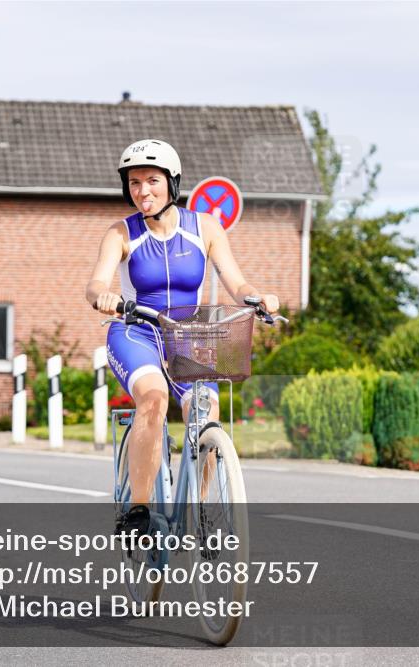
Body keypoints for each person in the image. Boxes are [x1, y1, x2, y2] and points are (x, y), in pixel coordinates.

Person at [85, 139, 279, 534]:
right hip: (136, 332)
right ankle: (139, 510)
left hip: (186, 337)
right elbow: (96, 283)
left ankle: (200, 510)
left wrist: (257, 298)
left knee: (206, 412)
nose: (143, 191)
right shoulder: (121, 233)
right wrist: (104, 297)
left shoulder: (204, 228)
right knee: (154, 400)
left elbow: (235, 281)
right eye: (134, 182)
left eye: (152, 181)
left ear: (172, 183)